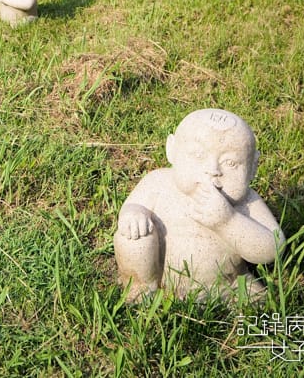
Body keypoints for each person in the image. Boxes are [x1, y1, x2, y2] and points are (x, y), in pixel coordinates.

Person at [114, 109, 286, 301]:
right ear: (172, 150)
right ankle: (141, 288)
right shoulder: (158, 183)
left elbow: (274, 247)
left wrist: (228, 221)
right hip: (162, 275)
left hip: (226, 284)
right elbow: (132, 207)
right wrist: (134, 214)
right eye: (198, 154)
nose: (213, 170)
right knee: (132, 236)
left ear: (253, 167)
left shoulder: (247, 201)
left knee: (260, 303)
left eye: (230, 163)